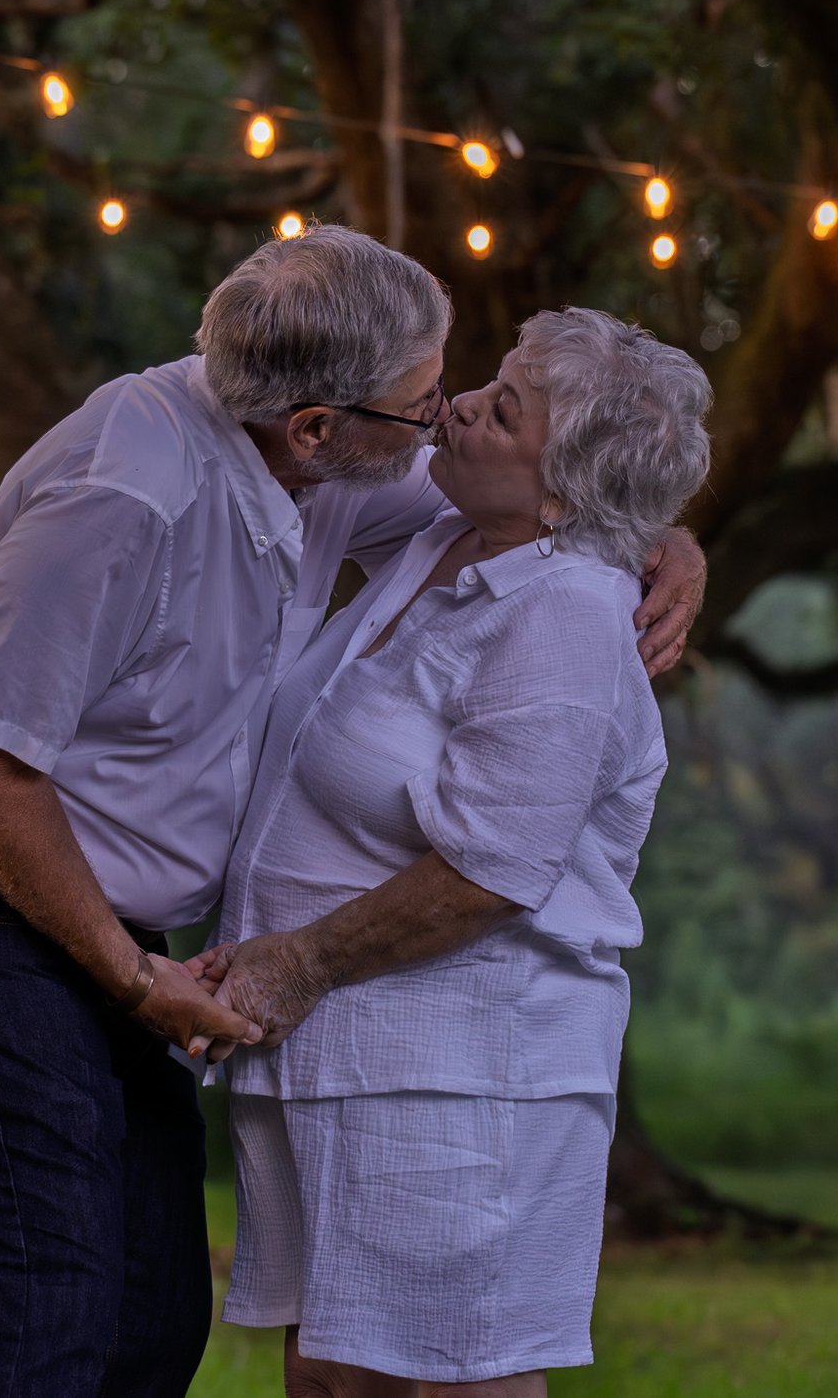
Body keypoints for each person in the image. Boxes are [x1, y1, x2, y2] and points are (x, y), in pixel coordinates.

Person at [0, 229, 706, 1397]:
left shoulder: (330, 471)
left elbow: (563, 511)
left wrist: (657, 533)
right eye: (426, 399)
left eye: (468, 395)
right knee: (40, 1310)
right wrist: (141, 979)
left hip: (103, 939)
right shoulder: (128, 490)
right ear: (315, 422)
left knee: (146, 1316)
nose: (441, 417)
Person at [197, 307, 714, 1398]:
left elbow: (490, 873)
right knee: (332, 1372)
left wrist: (297, 962)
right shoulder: (450, 534)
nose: (461, 401)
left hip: (463, 1076)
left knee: (447, 1377)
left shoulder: (566, 612)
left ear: (562, 488)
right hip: (344, 1061)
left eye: (504, 409)